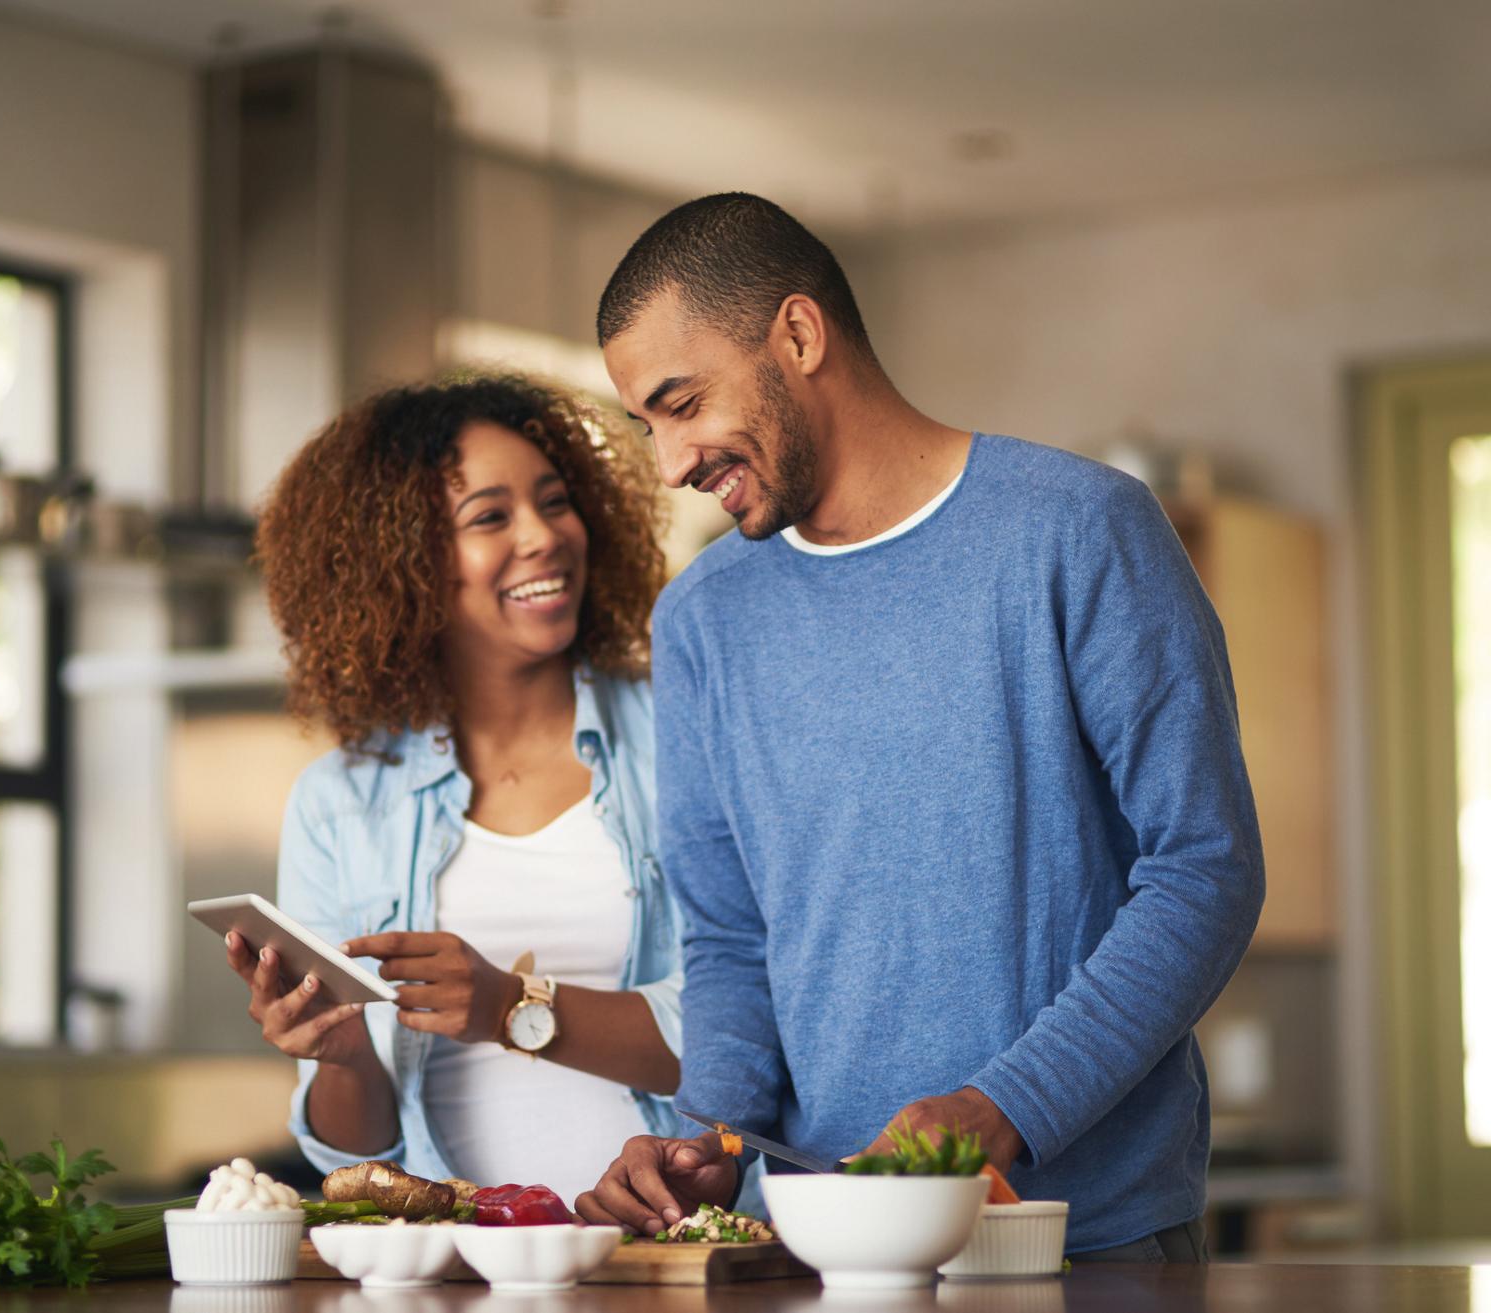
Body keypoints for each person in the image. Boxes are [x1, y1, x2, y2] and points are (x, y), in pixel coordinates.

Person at [573, 194, 1264, 1261]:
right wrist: (706, 1133)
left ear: (798, 336)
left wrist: (1004, 1106)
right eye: (645, 424)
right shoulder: (702, 618)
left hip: (1081, 1236)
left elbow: (1203, 869)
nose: (669, 462)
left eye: (683, 402)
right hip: (815, 1239)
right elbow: (729, 936)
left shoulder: (1079, 530)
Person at [224, 374, 684, 1208]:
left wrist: (511, 1005)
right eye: (491, 517)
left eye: (554, 501)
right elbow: (359, 1158)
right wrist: (340, 1053)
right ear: (401, 565)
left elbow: (743, 1036)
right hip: (461, 1263)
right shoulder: (341, 804)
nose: (544, 536)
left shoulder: (683, 737)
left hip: (676, 1249)